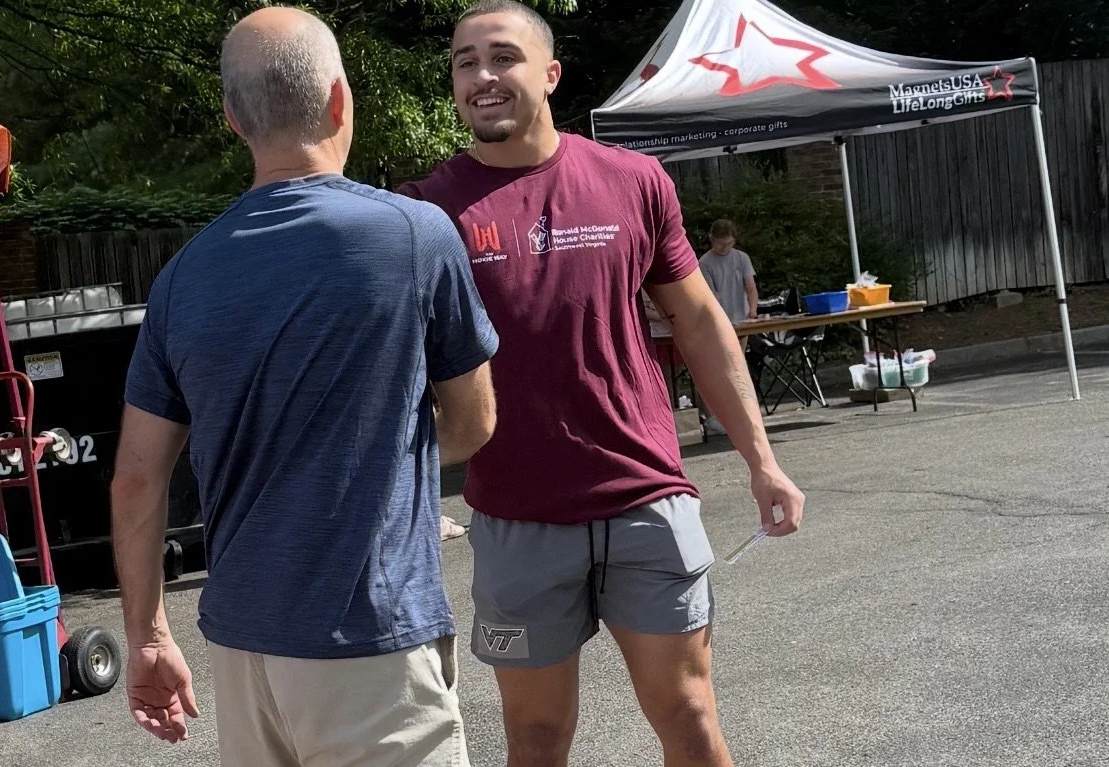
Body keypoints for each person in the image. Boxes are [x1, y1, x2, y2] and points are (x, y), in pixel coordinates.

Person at [397, 2, 805, 765]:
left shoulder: (633, 181)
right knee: (538, 735)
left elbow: (701, 324)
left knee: (689, 715)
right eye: (464, 63)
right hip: (517, 515)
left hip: (645, 495)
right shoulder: (427, 213)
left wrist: (761, 456)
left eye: (502, 58)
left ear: (550, 73)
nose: (482, 77)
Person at [109, 7, 499, 766]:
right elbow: (474, 419)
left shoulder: (183, 278)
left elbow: (136, 478)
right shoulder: (415, 236)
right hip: (374, 640)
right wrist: (382, 461)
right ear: (340, 100)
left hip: (244, 650)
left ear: (232, 119)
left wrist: (149, 635)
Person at [697, 219, 758, 436]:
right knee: (719, 368)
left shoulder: (741, 258)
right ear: (711, 239)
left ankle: (742, 413)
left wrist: (752, 311)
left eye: (729, 244)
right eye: (721, 244)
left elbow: (750, 288)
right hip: (718, 322)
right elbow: (710, 296)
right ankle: (714, 416)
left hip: (740, 320)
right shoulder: (704, 263)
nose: (725, 248)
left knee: (738, 366)